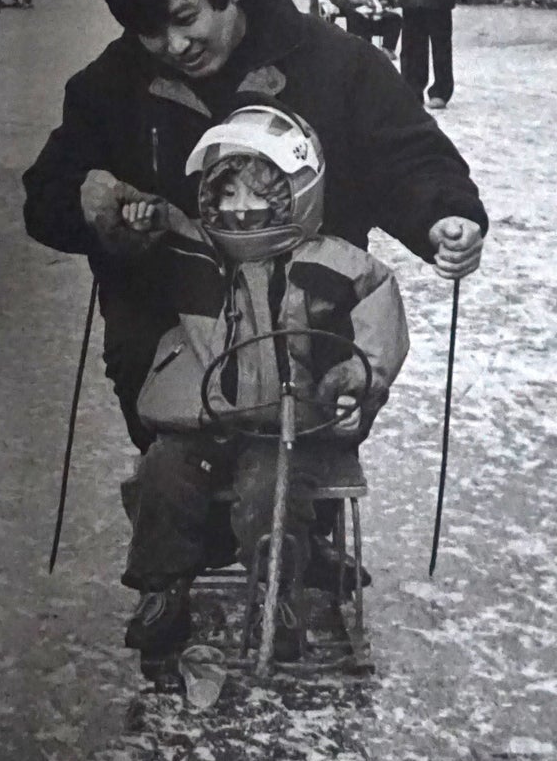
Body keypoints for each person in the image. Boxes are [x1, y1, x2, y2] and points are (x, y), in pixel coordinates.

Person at [22, 0, 487, 653]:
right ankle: (188, 553)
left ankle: (302, 538)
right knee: (178, 458)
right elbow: (43, 198)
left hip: (305, 324)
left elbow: (407, 158)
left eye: (184, 19)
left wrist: (444, 220)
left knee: (297, 435)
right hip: (169, 328)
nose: (173, 45)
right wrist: (91, 204)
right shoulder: (110, 88)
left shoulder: (336, 66)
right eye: (150, 32)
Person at [119, 105, 410, 664]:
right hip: (200, 420)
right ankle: (163, 590)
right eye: (227, 195)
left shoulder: (324, 261)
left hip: (283, 424)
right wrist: (132, 221)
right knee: (162, 473)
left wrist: (358, 375)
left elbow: (378, 298)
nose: (241, 210)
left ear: (291, 196)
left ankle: (276, 593)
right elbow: (150, 238)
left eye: (258, 195)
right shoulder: (196, 251)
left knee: (267, 494)